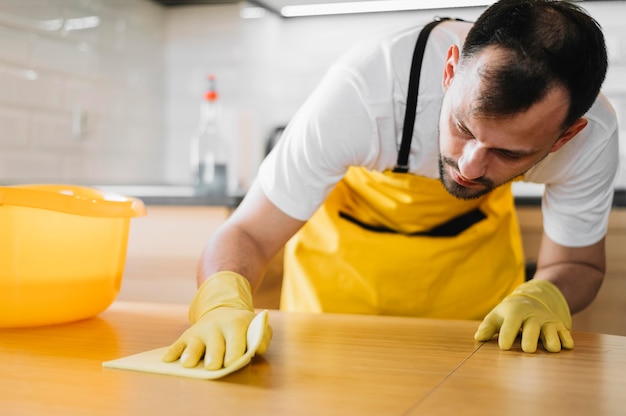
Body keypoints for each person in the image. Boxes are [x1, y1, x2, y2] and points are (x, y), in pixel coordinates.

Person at [163, 0, 619, 370]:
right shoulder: (368, 89)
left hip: (470, 302)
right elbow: (248, 233)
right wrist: (222, 301)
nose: (470, 166)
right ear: (449, 71)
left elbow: (579, 264)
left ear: (566, 135)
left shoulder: (593, 137)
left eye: (510, 154)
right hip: (336, 296)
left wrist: (546, 294)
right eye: (462, 126)